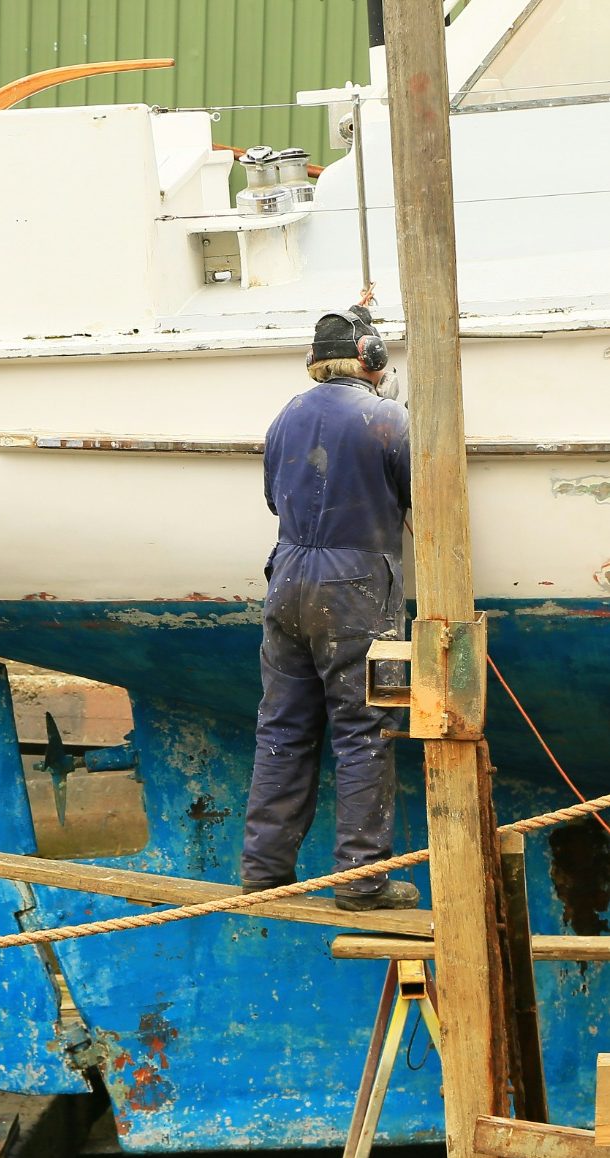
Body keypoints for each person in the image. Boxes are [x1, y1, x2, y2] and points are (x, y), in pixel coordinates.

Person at [240, 307, 419, 912]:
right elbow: (420, 494)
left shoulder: (287, 414)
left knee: (282, 727)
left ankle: (264, 872)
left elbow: (274, 499)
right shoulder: (389, 418)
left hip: (288, 577)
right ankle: (361, 882)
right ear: (372, 359)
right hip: (356, 587)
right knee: (365, 730)